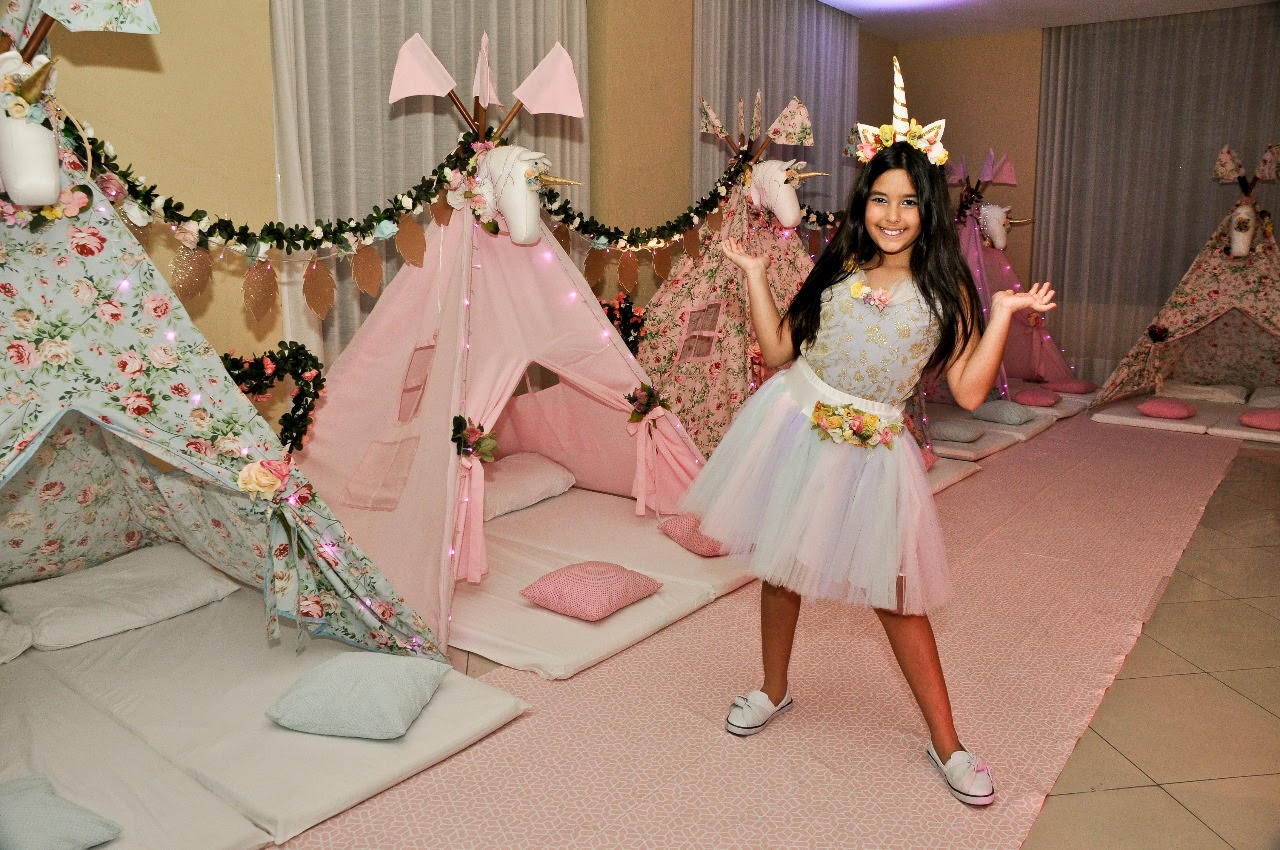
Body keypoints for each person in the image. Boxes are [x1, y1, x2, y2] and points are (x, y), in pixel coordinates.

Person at [682, 94, 1056, 806]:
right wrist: (756, 276)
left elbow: (970, 391)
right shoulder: (840, 264)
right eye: (880, 198)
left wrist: (1005, 313)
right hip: (795, 426)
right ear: (864, 203)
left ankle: (948, 743)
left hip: (874, 451)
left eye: (908, 201)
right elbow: (778, 350)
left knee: (899, 596)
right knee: (781, 570)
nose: (892, 214)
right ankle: (773, 689)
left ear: (928, 210)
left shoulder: (947, 290)